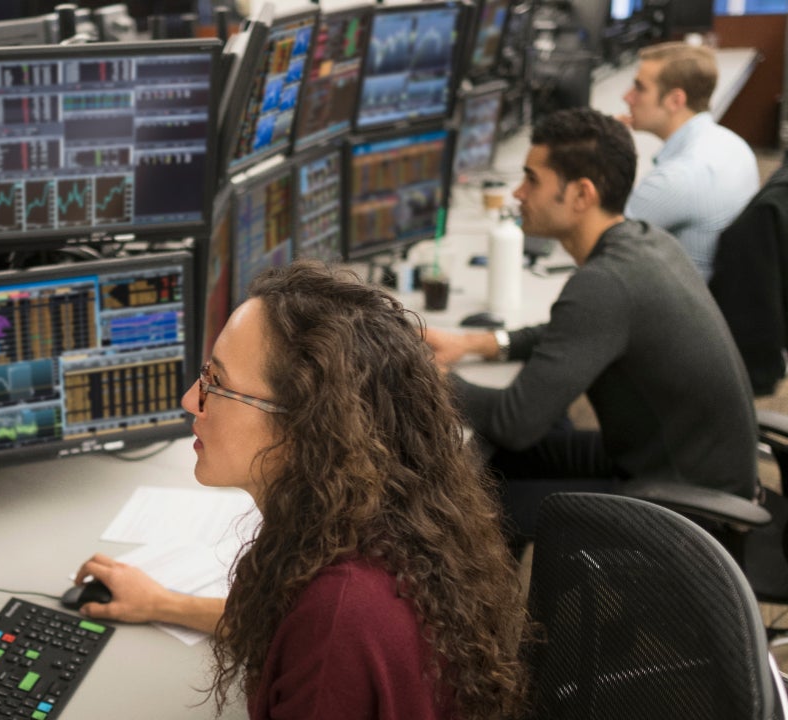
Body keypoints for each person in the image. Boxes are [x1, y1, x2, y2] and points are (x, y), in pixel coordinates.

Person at [74, 261, 529, 719]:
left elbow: (317, 633)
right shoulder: (363, 524)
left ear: (306, 425)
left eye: (217, 383)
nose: (191, 399)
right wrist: (163, 603)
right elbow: (282, 623)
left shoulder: (339, 617)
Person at [425, 107, 758, 539]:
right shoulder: (645, 241)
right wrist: (479, 343)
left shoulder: (605, 284)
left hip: (685, 515)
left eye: (532, 179)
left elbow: (515, 421)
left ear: (582, 195)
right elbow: (572, 333)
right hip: (675, 468)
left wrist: (431, 379)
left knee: (461, 508)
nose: (517, 193)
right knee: (500, 465)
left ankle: (506, 605)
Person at [621, 41, 759, 279]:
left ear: (675, 100)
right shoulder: (733, 144)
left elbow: (599, 244)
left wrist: (605, 148)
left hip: (670, 310)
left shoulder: (678, 177)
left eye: (639, 88)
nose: (627, 97)